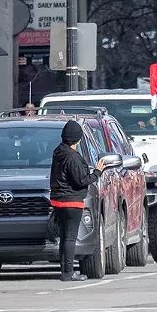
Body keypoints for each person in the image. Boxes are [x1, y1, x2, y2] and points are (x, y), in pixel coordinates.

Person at [47, 120, 108, 282]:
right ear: (78, 139)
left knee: (65, 237)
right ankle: (68, 273)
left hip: (58, 200)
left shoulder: (58, 153)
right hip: (72, 201)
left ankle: (64, 270)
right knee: (70, 238)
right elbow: (82, 180)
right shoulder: (73, 157)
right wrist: (97, 172)